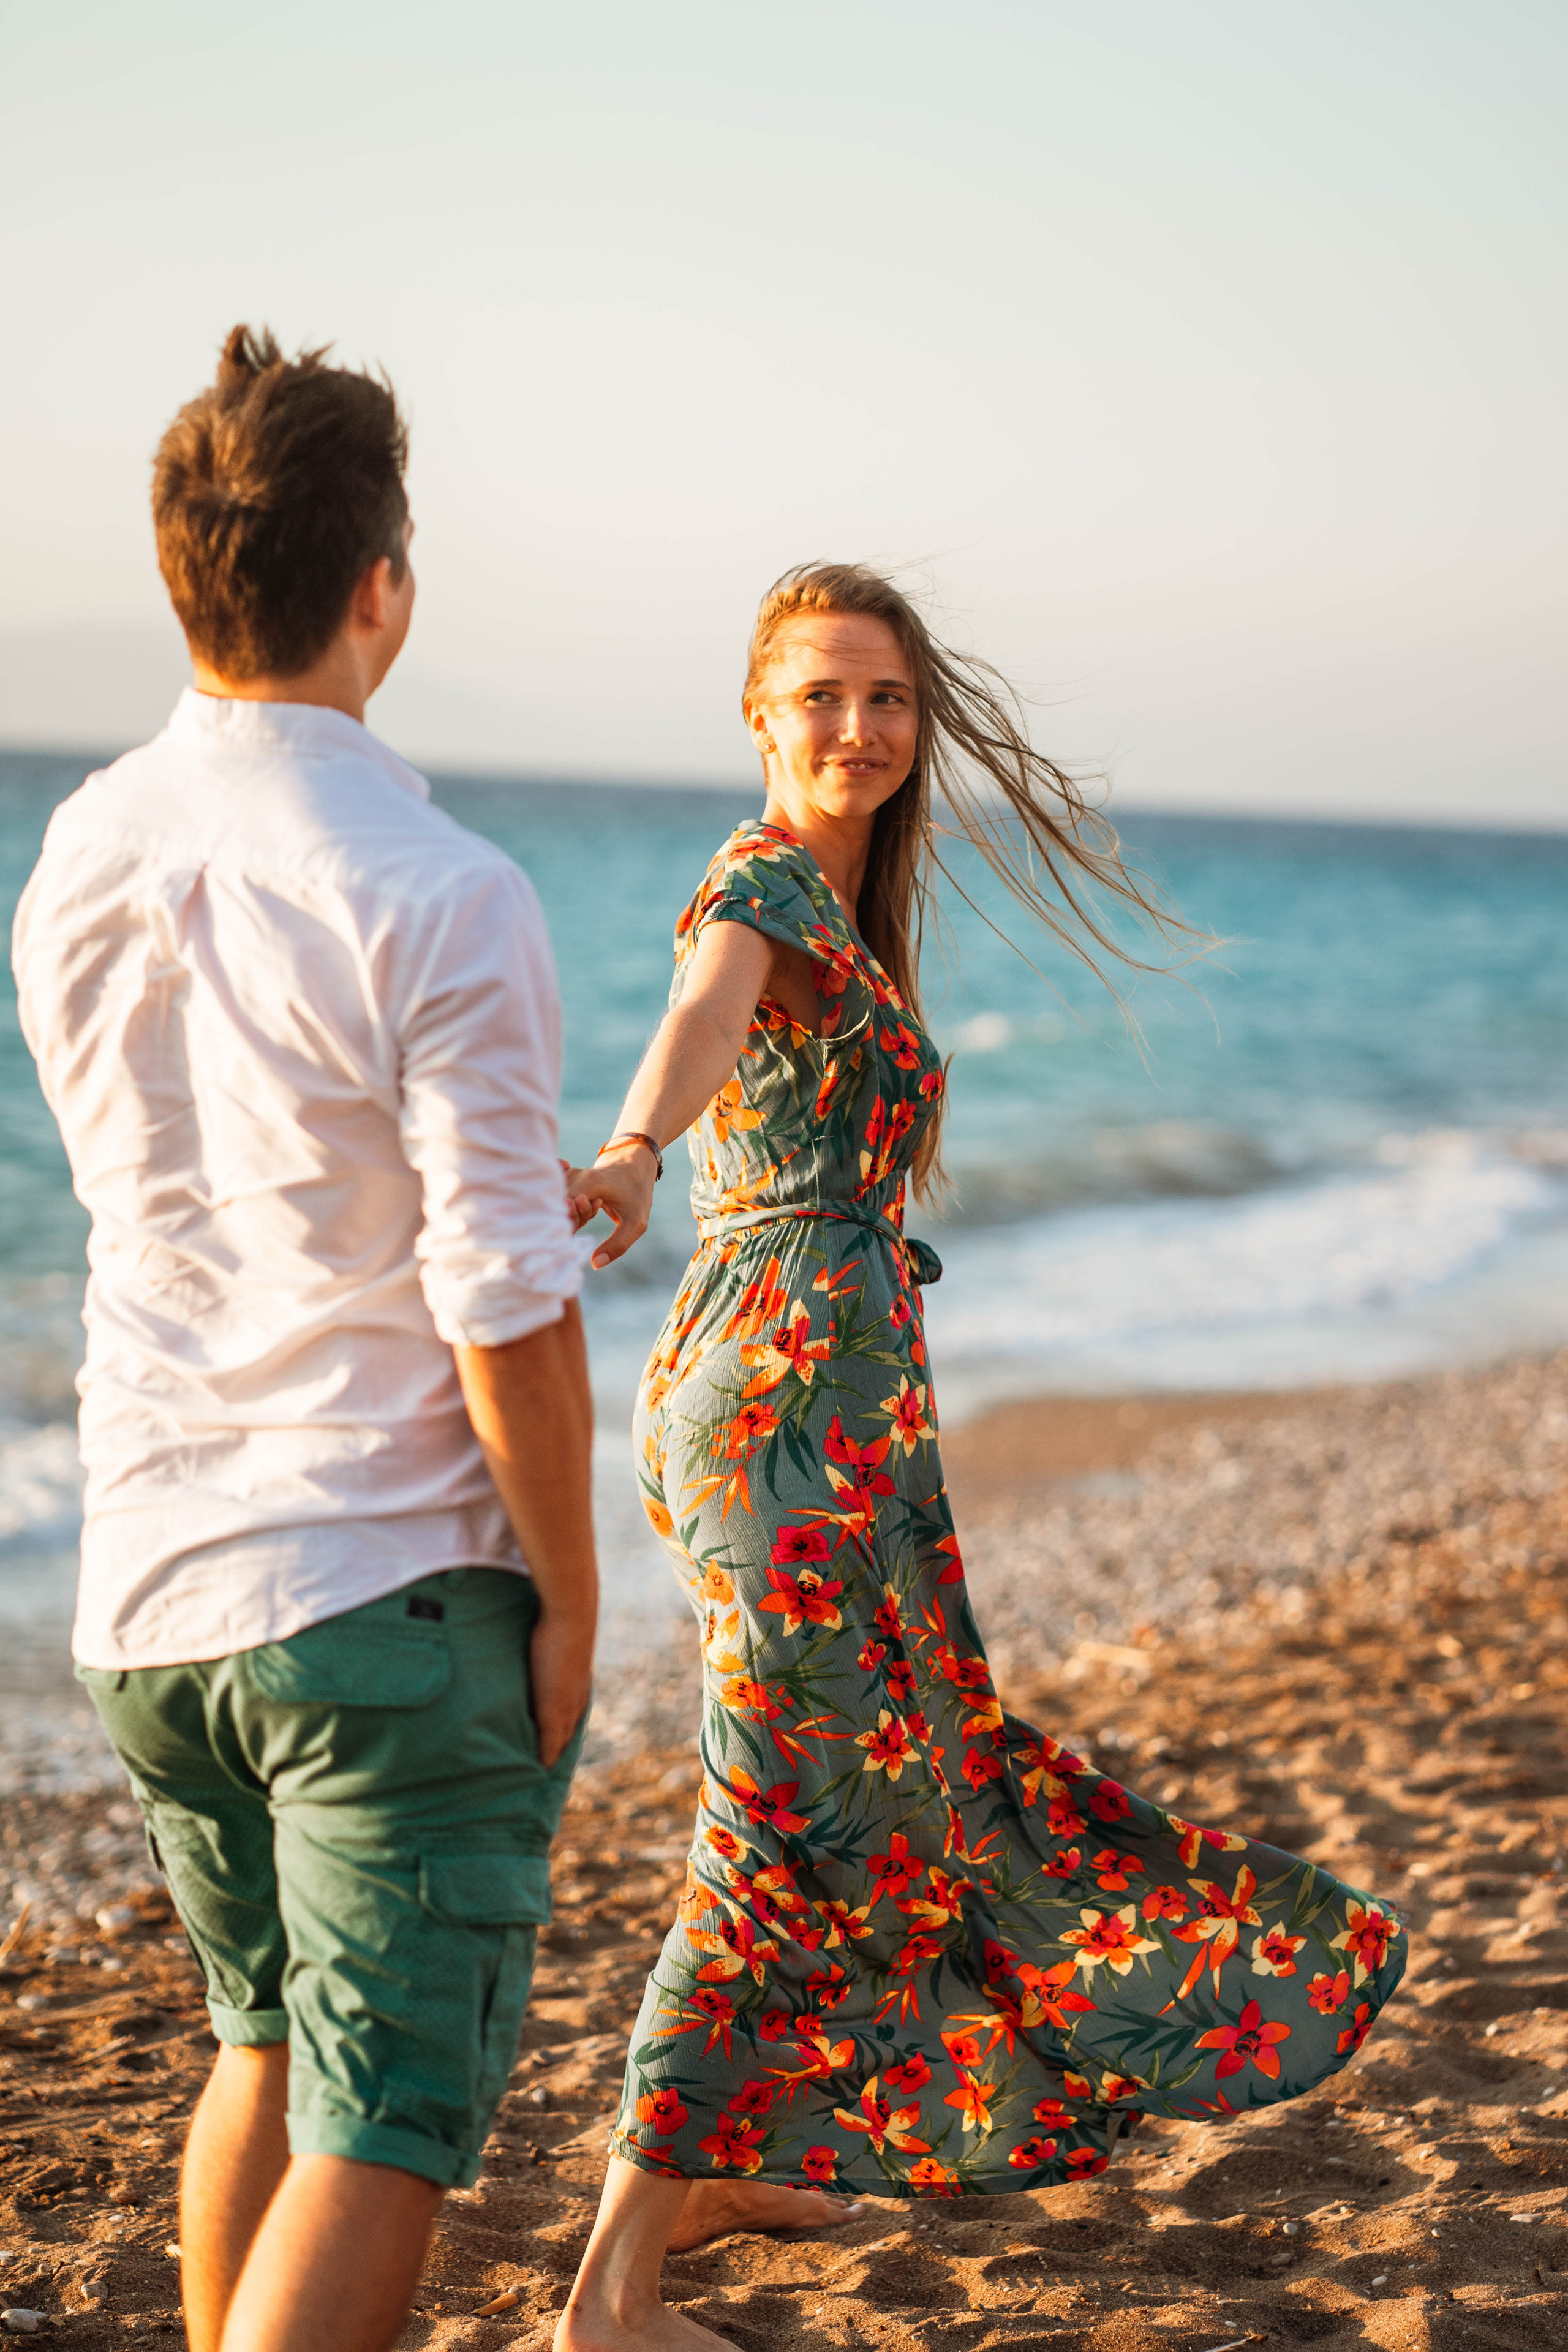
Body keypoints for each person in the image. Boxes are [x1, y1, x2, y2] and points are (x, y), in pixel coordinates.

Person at [554, 564, 1408, 2352]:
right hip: (782, 1396)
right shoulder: (768, 884)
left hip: (833, 1385)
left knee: (886, 1781)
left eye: (885, 699)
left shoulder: (856, 913)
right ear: (757, 717)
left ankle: (712, 2170)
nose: (856, 730)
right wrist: (633, 1146)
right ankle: (610, 2291)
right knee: (780, 1807)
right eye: (820, 699)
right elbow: (703, 1015)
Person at [12, 326, 597, 2352]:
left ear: (188, 577)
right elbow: (501, 1294)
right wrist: (575, 1593)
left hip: (150, 1596)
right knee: (387, 2127)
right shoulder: (438, 888)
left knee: (262, 2044)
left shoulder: (75, 855)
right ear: (384, 587)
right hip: (376, 1594)